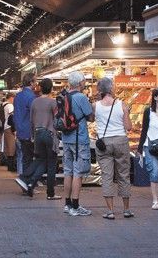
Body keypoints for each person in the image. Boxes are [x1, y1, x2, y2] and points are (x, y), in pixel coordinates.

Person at [93, 76, 133, 219]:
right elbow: (128, 127)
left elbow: (92, 119)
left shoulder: (95, 106)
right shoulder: (122, 104)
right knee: (123, 175)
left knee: (107, 176)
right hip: (121, 141)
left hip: (104, 143)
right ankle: (126, 209)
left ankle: (110, 211)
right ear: (111, 88)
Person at [59, 71, 94, 216]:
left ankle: (67, 204)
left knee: (68, 171)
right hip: (79, 139)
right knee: (78, 173)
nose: (85, 83)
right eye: (84, 81)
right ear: (80, 83)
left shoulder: (63, 96)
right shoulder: (81, 97)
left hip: (66, 138)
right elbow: (90, 117)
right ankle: (75, 205)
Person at [16, 77, 58, 199]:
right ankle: (50, 193)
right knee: (51, 164)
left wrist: (33, 135)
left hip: (37, 133)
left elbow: (31, 120)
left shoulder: (35, 102)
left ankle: (30, 182)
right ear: (51, 88)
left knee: (40, 160)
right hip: (49, 134)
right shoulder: (52, 102)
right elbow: (57, 119)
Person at [13, 74, 37, 176]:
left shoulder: (18, 96)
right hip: (29, 132)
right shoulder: (31, 97)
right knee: (33, 159)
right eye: (35, 81)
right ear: (31, 82)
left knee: (25, 158)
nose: (36, 83)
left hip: (20, 130)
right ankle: (28, 182)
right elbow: (34, 115)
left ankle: (25, 182)